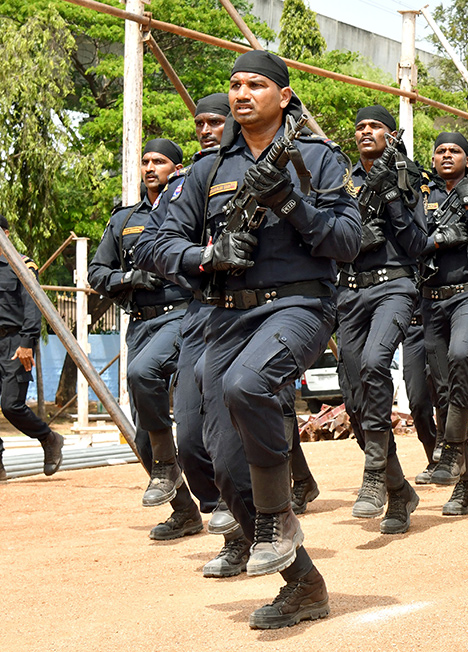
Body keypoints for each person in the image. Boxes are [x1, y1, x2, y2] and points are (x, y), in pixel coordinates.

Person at [156, 50, 360, 628]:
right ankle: (304, 585)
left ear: (285, 96)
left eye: (257, 85)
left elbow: (347, 239)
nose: (242, 94)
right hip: (225, 315)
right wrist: (205, 255)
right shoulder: (205, 170)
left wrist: (292, 205)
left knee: (251, 384)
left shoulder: (317, 159)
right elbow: (155, 242)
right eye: (235, 85)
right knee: (221, 466)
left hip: (298, 303)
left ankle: (278, 517)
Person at [134, 93, 244, 572]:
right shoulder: (191, 183)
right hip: (200, 310)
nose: (205, 129)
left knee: (231, 437)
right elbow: (154, 244)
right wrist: (201, 256)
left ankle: (251, 530)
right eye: (199, 122)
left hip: (254, 314)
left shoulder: (263, 168)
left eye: (215, 122)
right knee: (194, 440)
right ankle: (223, 514)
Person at [89, 137, 212, 542]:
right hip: (140, 323)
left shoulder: (191, 210)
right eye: (145, 161)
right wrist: (128, 278)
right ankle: (184, 511)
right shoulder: (124, 220)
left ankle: (223, 498)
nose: (150, 167)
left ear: (176, 168)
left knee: (152, 379)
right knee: (142, 433)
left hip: (183, 315)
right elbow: (97, 272)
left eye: (159, 161)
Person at [338, 105, 423, 534]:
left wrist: (391, 199)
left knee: (375, 363)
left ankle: (374, 474)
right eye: (360, 127)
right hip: (350, 290)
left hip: (394, 285)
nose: (365, 132)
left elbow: (418, 243)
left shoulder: (406, 175)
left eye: (374, 126)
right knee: (354, 397)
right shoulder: (343, 179)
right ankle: (399, 490)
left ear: (391, 135)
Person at [411, 131, 468, 516]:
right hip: (431, 301)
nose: (446, 155)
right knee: (441, 389)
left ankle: (452, 452)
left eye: (455, 150)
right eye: (440, 150)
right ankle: (465, 485)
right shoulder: (422, 196)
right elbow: (411, 240)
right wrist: (438, 240)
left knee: (462, 356)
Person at [0, 215, 64, 481]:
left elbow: (32, 304)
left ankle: (49, 438)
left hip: (15, 343)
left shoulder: (21, 264)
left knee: (11, 404)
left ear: (5, 232)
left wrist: (27, 343)